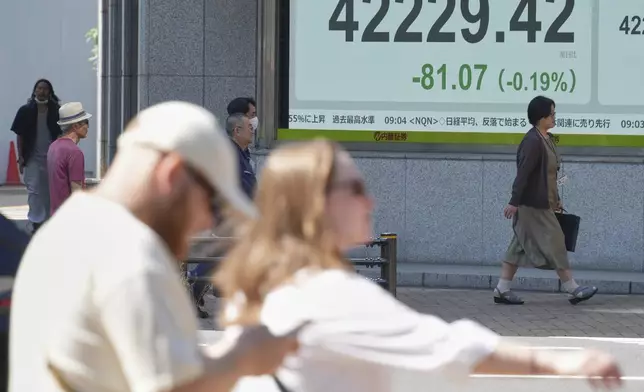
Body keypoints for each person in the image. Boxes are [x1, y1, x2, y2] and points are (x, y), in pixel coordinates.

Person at [214, 139, 622, 391]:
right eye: (355, 189)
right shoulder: (331, 295)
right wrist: (562, 362)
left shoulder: (264, 285)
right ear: (315, 204)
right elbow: (446, 348)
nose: (369, 201)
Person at [10, 101, 301, 392]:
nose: (206, 221)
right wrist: (245, 357)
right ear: (171, 174)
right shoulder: (133, 257)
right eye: (210, 201)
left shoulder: (67, 230)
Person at [495, 96, 598, 305]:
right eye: (552, 113)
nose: (554, 117)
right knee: (557, 242)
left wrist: (556, 199)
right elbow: (523, 174)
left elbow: (550, 174)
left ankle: (502, 289)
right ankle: (572, 288)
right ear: (541, 117)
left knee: (518, 246)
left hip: (544, 203)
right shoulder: (533, 142)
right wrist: (514, 202)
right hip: (533, 205)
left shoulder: (546, 139)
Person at [189, 113, 256, 317]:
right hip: (228, 219)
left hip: (239, 219)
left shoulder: (243, 154)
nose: (252, 128)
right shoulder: (230, 154)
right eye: (248, 126)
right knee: (216, 259)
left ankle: (194, 293)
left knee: (217, 260)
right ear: (236, 131)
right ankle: (193, 289)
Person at [9, 79, 62, 233]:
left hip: (51, 157)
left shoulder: (56, 111)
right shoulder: (25, 111)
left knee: (48, 190)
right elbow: (20, 135)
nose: (42, 91)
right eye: (39, 88)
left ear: (50, 92)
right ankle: (35, 220)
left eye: (45, 89)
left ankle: (47, 220)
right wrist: (21, 157)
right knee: (34, 189)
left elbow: (62, 134)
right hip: (31, 156)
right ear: (34, 91)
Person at [47, 102, 92, 215]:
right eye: (86, 122)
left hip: (55, 214)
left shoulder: (53, 146)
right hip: (69, 216)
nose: (88, 127)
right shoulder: (74, 152)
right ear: (76, 126)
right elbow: (76, 191)